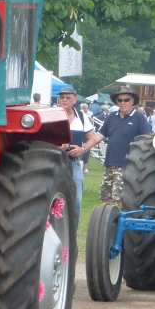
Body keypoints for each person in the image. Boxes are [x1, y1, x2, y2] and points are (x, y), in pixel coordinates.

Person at [81, 86, 150, 205]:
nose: (123, 103)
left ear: (132, 101)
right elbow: (98, 136)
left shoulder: (139, 118)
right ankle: (108, 220)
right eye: (120, 100)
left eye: (126, 100)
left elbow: (147, 140)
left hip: (127, 164)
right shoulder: (112, 117)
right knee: (105, 196)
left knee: (120, 198)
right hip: (110, 162)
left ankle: (125, 221)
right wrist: (84, 148)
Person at [57, 86, 95, 216]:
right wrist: (57, 146)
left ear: (75, 100)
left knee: (76, 200)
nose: (64, 100)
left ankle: (72, 233)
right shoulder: (52, 115)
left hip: (73, 162)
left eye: (68, 98)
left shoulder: (81, 117)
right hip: (54, 160)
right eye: (62, 98)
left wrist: (83, 149)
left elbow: (92, 138)